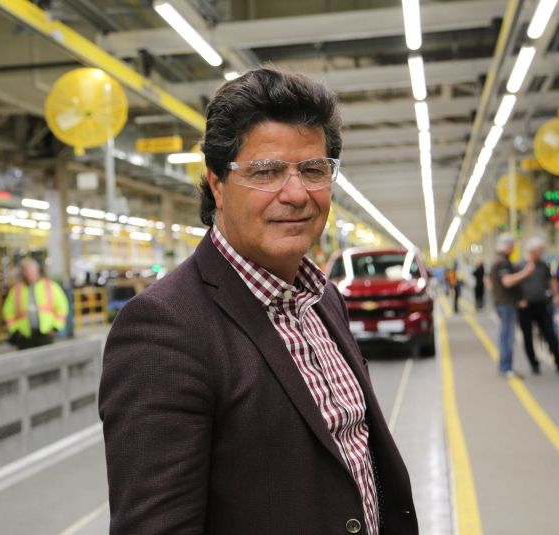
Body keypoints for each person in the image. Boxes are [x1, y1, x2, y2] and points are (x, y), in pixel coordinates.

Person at [100, 68, 416, 535]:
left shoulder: (323, 300)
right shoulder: (164, 330)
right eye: (265, 172)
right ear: (216, 184)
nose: (296, 194)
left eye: (313, 170)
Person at [518, 237, 559, 374]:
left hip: (541, 304)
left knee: (550, 333)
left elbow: (552, 280)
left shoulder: (543, 265)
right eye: (540, 251)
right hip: (525, 306)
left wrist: (556, 295)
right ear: (532, 251)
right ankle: (534, 364)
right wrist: (519, 299)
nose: (542, 253)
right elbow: (514, 285)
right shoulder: (519, 265)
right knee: (527, 336)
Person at [490, 233, 535, 378]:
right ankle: (506, 367)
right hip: (506, 304)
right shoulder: (502, 262)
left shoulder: (499, 260)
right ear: (508, 246)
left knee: (505, 335)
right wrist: (525, 273)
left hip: (503, 302)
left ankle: (505, 366)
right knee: (508, 336)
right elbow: (507, 282)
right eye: (512, 246)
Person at [2, 258, 69, 350]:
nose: (26, 273)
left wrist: (55, 327)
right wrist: (15, 330)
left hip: (45, 333)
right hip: (24, 335)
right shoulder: (16, 290)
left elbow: (62, 307)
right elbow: (8, 311)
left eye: (28, 270)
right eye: (24, 270)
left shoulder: (50, 286)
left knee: (47, 361)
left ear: (37, 270)